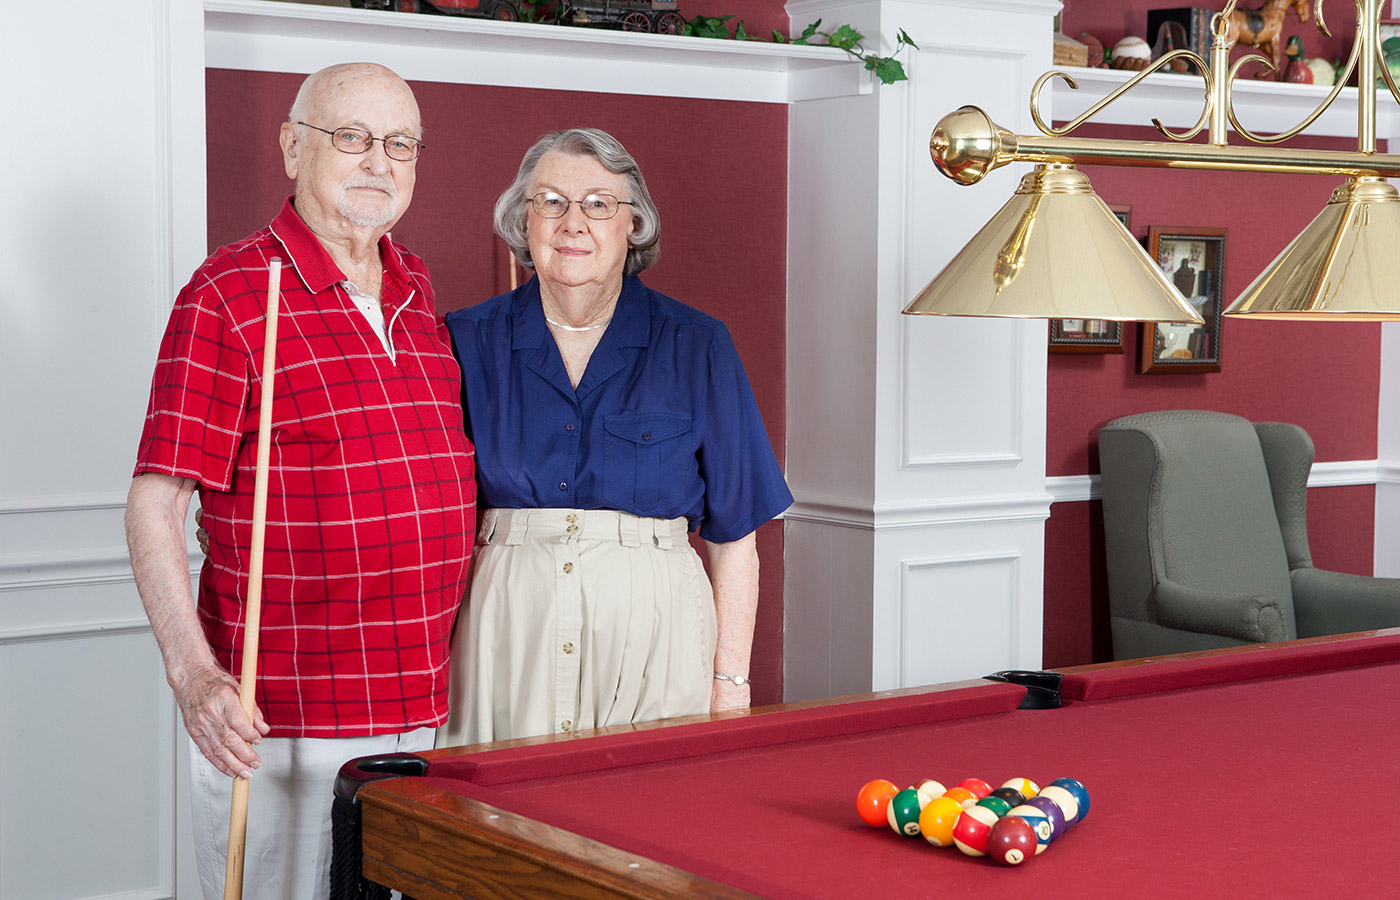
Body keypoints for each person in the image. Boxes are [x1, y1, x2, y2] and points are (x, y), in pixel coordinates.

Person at [125, 63, 475, 900]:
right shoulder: (233, 293)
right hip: (286, 721)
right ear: (292, 146)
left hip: (420, 706)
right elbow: (157, 501)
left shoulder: (417, 291)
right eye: (350, 137)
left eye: (400, 144)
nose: (377, 163)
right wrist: (193, 673)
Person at [437, 128, 792, 746]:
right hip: (505, 635)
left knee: (648, 816)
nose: (573, 222)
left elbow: (736, 538)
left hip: (660, 638)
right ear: (524, 222)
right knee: (498, 819)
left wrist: (731, 683)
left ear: (633, 225)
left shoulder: (697, 343)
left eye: (599, 204)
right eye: (550, 201)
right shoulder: (464, 341)